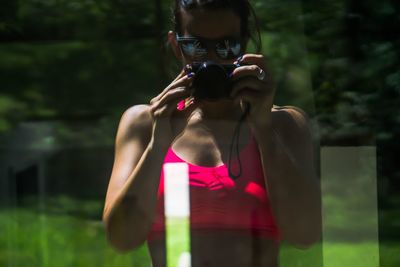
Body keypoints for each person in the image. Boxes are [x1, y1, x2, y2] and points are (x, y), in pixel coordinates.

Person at [103, 0, 321, 266]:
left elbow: (305, 234)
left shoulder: (283, 124)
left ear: (246, 45)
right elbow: (121, 239)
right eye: (194, 46)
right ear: (175, 45)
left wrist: (263, 128)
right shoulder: (144, 123)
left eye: (226, 47)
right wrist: (158, 145)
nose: (211, 61)